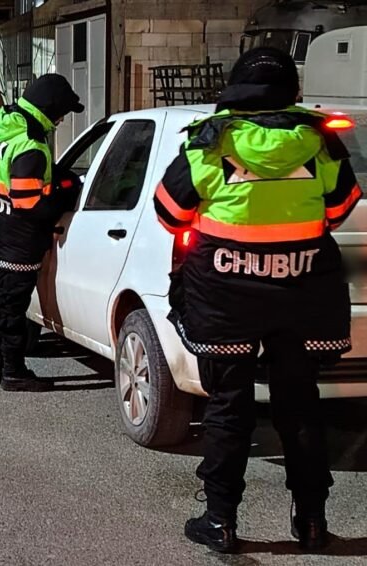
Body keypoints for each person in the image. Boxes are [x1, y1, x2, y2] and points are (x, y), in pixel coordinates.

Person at [154, 47, 362, 553]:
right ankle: (312, 523)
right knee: (300, 406)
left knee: (229, 406)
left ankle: (221, 522)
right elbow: (341, 209)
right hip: (301, 294)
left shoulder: (209, 143)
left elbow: (169, 213)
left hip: (226, 300)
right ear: (292, 91)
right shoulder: (320, 144)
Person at [0, 73, 84, 392]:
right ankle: (14, 371)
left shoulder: (4, 124)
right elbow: (29, 203)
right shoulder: (31, 145)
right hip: (18, 243)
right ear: (50, 109)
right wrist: (65, 194)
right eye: (62, 112)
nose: (63, 118)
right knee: (13, 310)